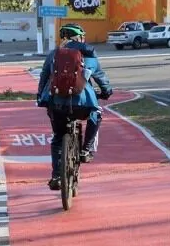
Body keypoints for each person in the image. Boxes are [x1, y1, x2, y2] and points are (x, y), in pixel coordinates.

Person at [37, 23, 113, 191]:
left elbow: (43, 78)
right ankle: (86, 150)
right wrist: (106, 92)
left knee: (58, 137)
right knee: (97, 113)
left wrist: (40, 98)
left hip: (55, 103)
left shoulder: (53, 55)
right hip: (82, 104)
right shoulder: (88, 53)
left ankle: (57, 175)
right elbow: (101, 77)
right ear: (79, 38)